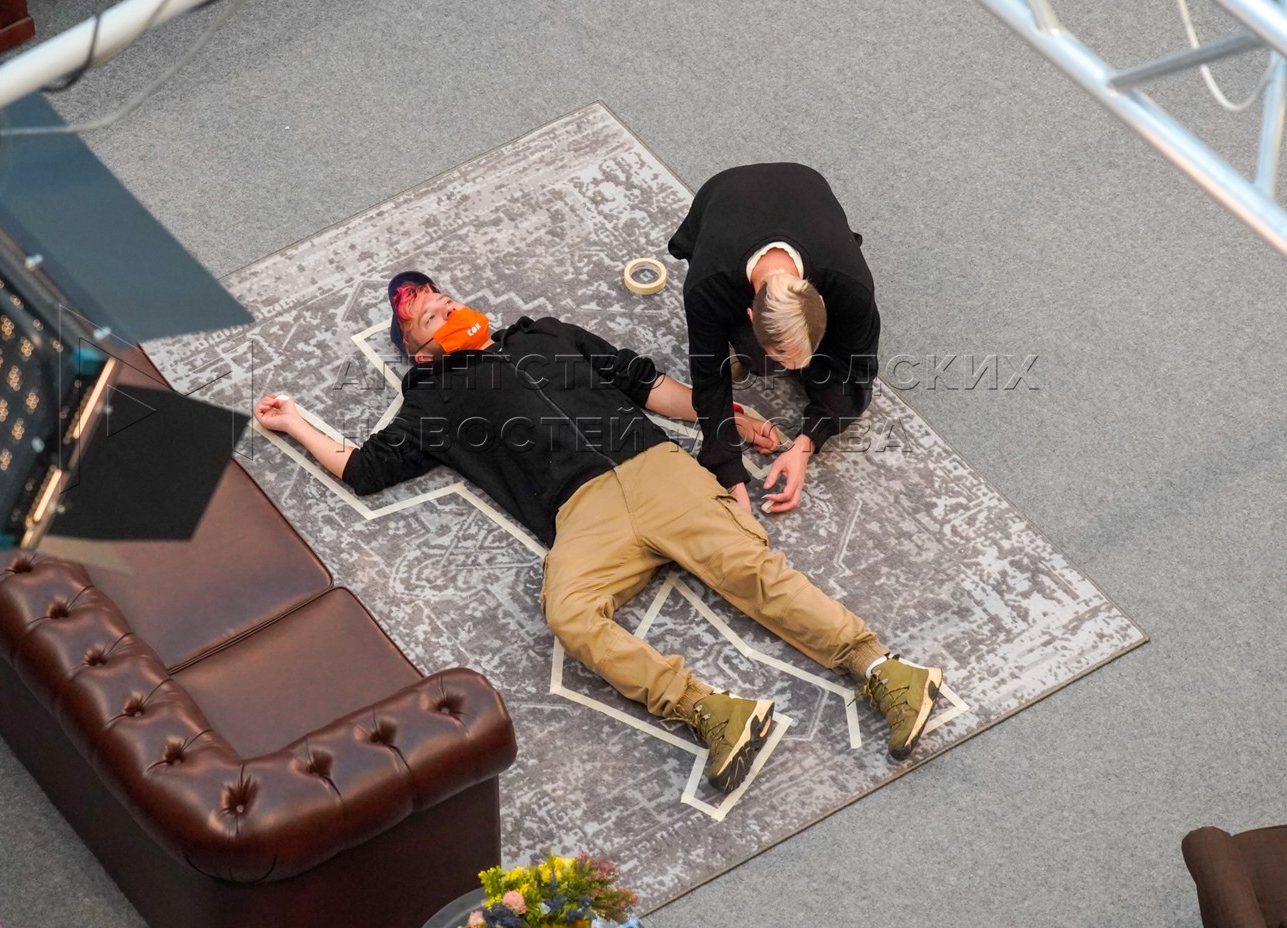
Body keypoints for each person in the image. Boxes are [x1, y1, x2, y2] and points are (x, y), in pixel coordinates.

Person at [251, 271, 942, 792]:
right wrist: (295, 422)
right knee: (568, 612)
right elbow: (364, 467)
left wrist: (725, 419)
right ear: (417, 352)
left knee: (749, 570)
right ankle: (713, 713)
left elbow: (644, 384)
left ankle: (885, 670)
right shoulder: (431, 399)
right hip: (579, 512)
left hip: (654, 469)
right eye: (425, 316)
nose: (442, 307)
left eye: (443, 298)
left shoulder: (545, 334)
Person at [669, 162, 881, 515]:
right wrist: (727, 471)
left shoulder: (850, 283)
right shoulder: (709, 285)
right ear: (750, 315)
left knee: (832, 363)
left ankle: (803, 352)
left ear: (822, 300)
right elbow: (709, 377)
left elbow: (859, 372)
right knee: (759, 360)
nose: (792, 371)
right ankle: (765, 351)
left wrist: (806, 443)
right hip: (724, 194)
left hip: (805, 185)